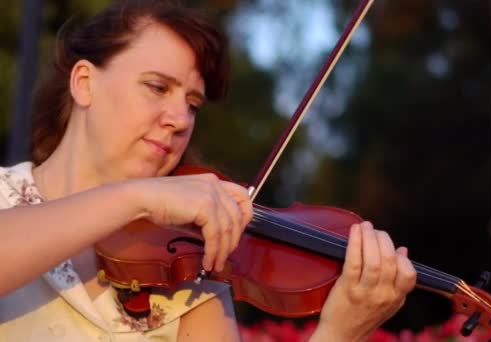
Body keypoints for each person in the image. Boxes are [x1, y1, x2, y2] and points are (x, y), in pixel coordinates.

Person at [0, 0, 417, 341]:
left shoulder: (196, 261)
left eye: (193, 103)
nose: (180, 118)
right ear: (85, 82)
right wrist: (135, 197)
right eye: (158, 87)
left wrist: (339, 335)